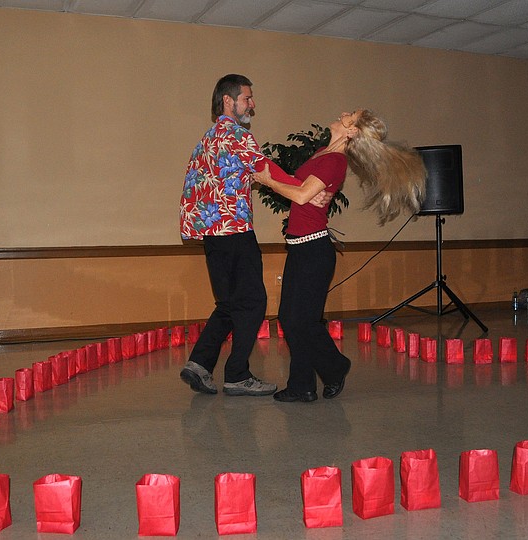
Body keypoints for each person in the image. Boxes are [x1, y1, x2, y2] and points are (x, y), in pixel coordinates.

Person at [253, 109, 426, 402]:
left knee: (301, 321)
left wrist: (268, 181)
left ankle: (334, 367)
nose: (344, 113)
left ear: (352, 131)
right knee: (292, 318)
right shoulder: (322, 153)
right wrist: (294, 183)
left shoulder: (335, 160)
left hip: (313, 250)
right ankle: (303, 385)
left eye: (351, 115)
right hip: (299, 248)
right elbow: (302, 189)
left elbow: (300, 196)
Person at [179, 74, 305, 396]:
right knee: (253, 302)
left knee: (229, 304)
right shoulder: (236, 135)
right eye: (247, 98)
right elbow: (266, 171)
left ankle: (199, 364)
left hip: (212, 237)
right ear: (228, 101)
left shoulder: (206, 139)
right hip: (235, 233)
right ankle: (237, 374)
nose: (252, 104)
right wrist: (302, 189)